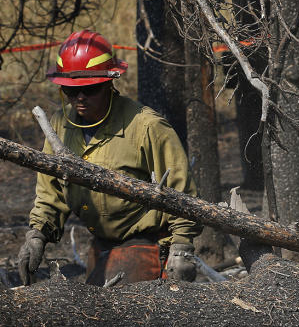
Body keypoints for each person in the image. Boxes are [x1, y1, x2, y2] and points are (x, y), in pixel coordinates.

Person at [17, 30, 201, 286]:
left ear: (109, 83)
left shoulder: (147, 126)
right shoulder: (59, 128)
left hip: (145, 244)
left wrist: (182, 248)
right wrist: (37, 236)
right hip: (101, 245)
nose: (80, 98)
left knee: (125, 321)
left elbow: (182, 193)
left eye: (90, 89)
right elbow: (51, 194)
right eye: (71, 91)